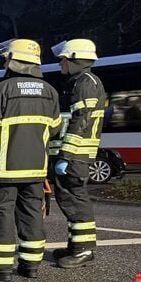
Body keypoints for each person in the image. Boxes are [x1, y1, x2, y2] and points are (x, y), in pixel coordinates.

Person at [0, 39, 61, 281]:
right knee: (32, 213)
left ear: (12, 60)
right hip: (35, 170)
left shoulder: (2, 89)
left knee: (0, 213)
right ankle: (30, 265)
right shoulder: (50, 92)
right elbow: (54, 129)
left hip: (4, 169)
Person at [49, 39, 106, 268]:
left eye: (63, 59)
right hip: (75, 153)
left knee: (75, 199)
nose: (61, 63)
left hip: (76, 154)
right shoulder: (79, 82)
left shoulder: (85, 83)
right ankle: (76, 245)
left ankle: (84, 250)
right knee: (68, 197)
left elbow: (82, 120)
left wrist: (66, 154)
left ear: (75, 59)